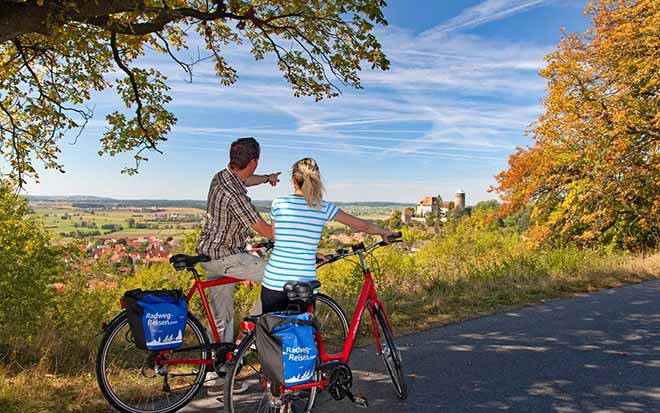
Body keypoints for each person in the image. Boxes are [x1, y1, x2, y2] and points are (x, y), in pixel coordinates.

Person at [196, 137, 279, 392]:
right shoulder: (236, 197)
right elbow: (266, 231)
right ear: (253, 161)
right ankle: (250, 332)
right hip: (226, 257)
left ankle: (218, 374)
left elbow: (245, 179)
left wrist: (266, 178)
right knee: (278, 274)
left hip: (209, 255)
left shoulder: (222, 177)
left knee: (222, 318)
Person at [261, 158, 393, 313]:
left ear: (293, 180)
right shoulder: (323, 207)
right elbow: (362, 225)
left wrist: (310, 252)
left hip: (273, 281)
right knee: (303, 332)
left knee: (271, 332)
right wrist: (384, 232)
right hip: (303, 285)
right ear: (317, 179)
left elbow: (279, 238)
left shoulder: (278, 204)